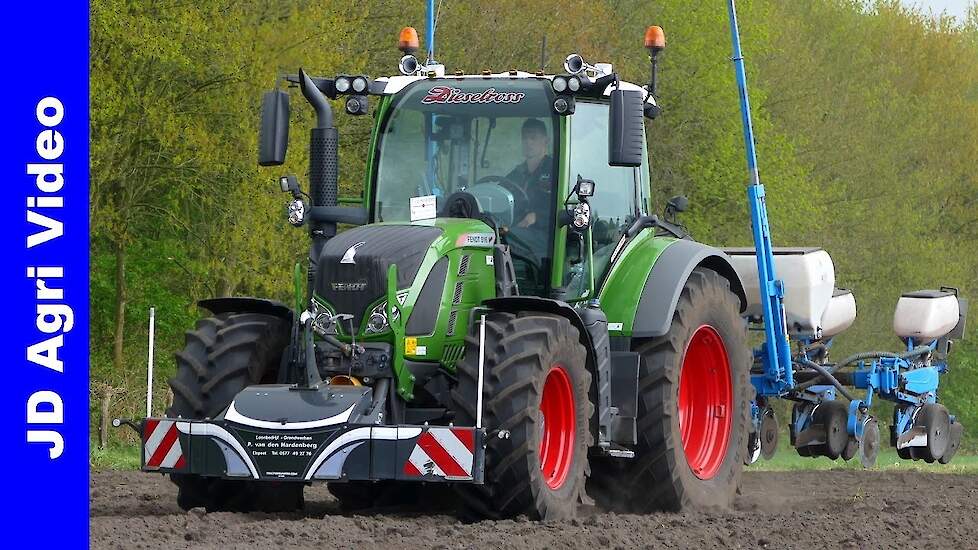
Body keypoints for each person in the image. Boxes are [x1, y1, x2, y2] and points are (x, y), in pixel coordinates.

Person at [506, 118, 554, 228]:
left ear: (546, 141)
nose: (528, 142)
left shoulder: (556, 171)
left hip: (545, 234)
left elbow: (562, 207)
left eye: (533, 138)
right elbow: (502, 192)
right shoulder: (517, 173)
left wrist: (537, 217)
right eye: (524, 138)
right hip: (517, 228)